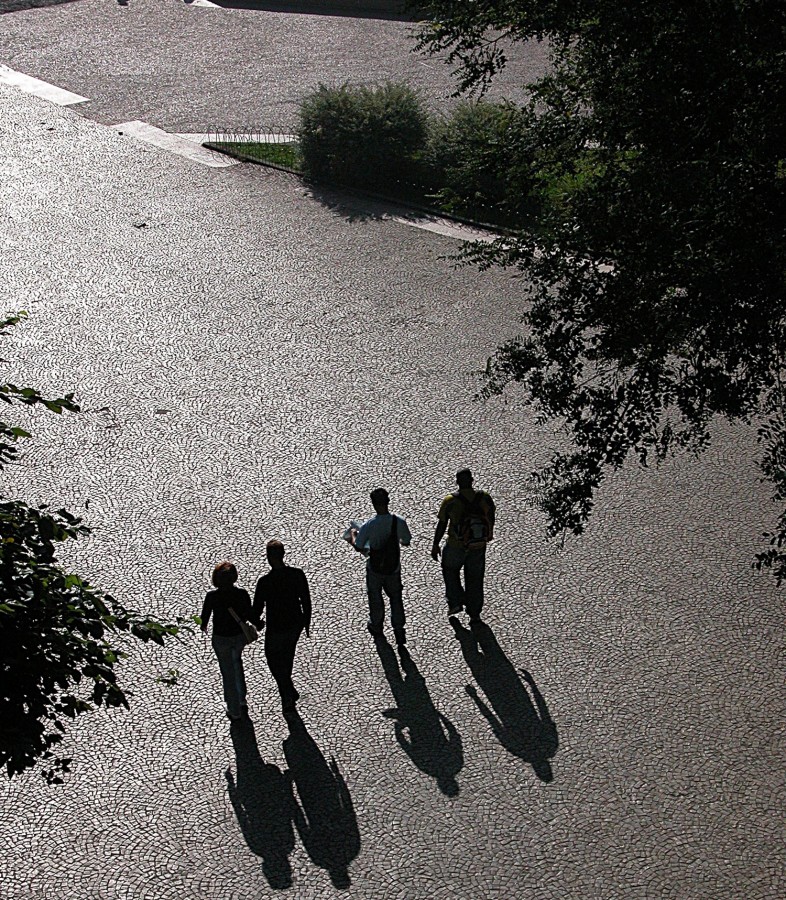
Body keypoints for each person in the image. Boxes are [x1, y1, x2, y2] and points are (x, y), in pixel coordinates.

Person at [431, 468, 496, 627]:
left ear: (457, 482)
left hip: (455, 545)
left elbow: (442, 524)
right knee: (475, 578)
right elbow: (491, 517)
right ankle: (474, 613)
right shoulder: (485, 498)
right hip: (478, 545)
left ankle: (455, 601)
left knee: (450, 570)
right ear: (472, 480)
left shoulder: (450, 501)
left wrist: (435, 544)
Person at [253, 540, 311, 715]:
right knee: (287, 657)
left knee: (273, 659)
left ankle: (286, 692)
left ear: (269, 558)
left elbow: (257, 608)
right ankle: (288, 689)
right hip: (294, 624)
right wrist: (306, 622)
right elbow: (306, 600)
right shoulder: (297, 575)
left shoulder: (264, 582)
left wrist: (257, 623)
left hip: (276, 625)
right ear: (283, 554)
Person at [349, 487, 412, 646]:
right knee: (396, 598)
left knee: (375, 598)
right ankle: (399, 629)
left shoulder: (369, 525)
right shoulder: (399, 521)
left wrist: (353, 535)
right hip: (393, 568)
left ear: (373, 504)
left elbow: (360, 545)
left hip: (375, 568)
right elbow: (406, 541)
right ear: (388, 501)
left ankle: (377, 625)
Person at [200, 561, 253, 721]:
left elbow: (204, 618)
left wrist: (203, 625)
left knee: (227, 672)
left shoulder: (212, 596)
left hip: (221, 638)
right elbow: (248, 613)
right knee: (237, 663)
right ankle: (242, 698)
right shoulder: (241, 594)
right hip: (238, 637)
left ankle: (233, 708)